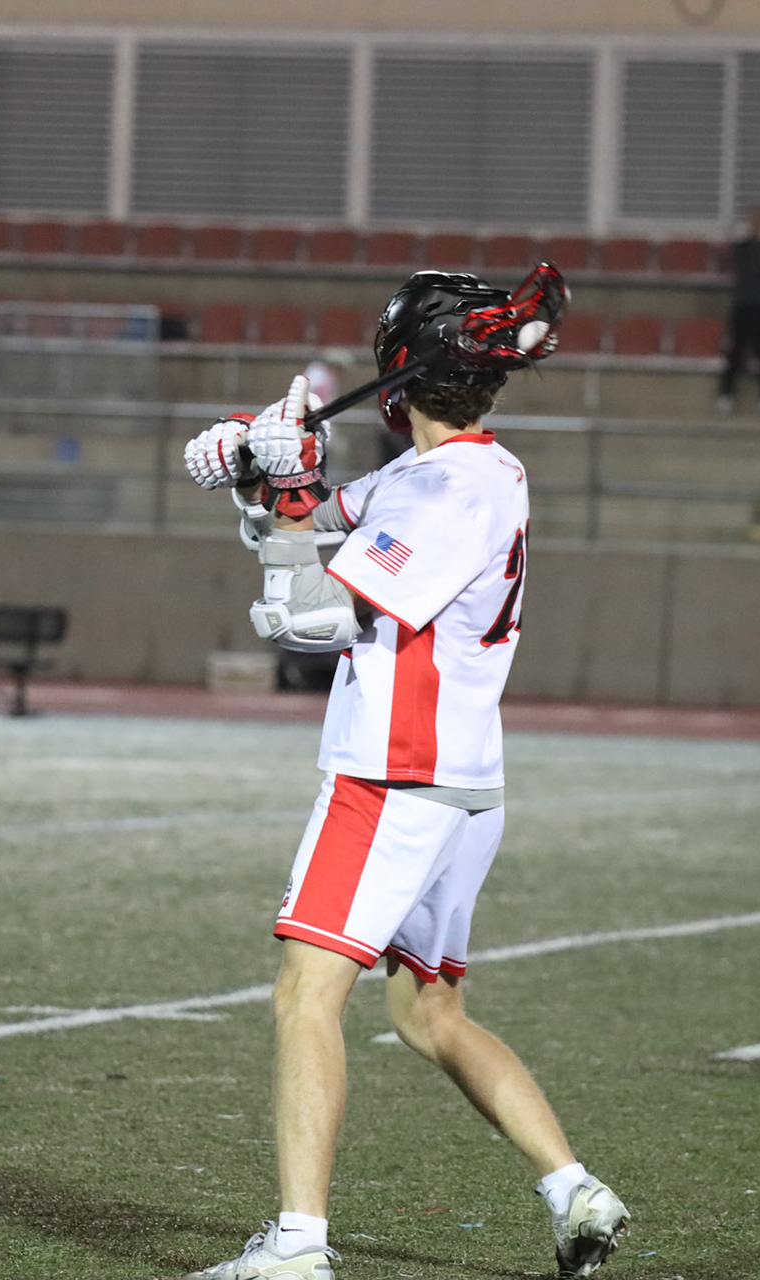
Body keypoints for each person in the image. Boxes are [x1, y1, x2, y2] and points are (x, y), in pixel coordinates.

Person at [177, 270, 628, 1280]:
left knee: (305, 993)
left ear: (401, 365)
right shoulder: (466, 471)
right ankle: (574, 1189)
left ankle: (298, 1245)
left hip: (395, 772)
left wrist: (292, 500)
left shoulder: (446, 490)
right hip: (463, 781)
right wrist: (259, 468)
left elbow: (307, 614)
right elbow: (307, 524)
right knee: (429, 1015)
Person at [716, 205, 760, 416]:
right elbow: (728, 264)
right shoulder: (740, 248)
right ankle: (726, 394)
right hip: (744, 306)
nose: (756, 224)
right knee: (735, 351)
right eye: (753, 220)